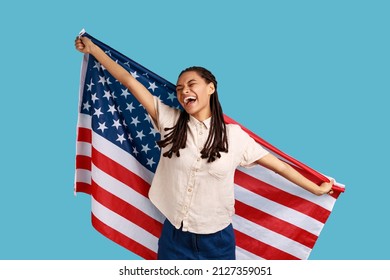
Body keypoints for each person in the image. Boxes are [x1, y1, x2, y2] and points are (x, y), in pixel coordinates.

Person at [75, 36, 334, 260]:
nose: (183, 91)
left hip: (217, 243)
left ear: (211, 87)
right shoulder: (169, 120)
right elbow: (129, 81)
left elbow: (279, 167)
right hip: (174, 238)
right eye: (179, 88)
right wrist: (94, 51)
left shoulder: (235, 137)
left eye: (191, 84)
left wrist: (315, 188)